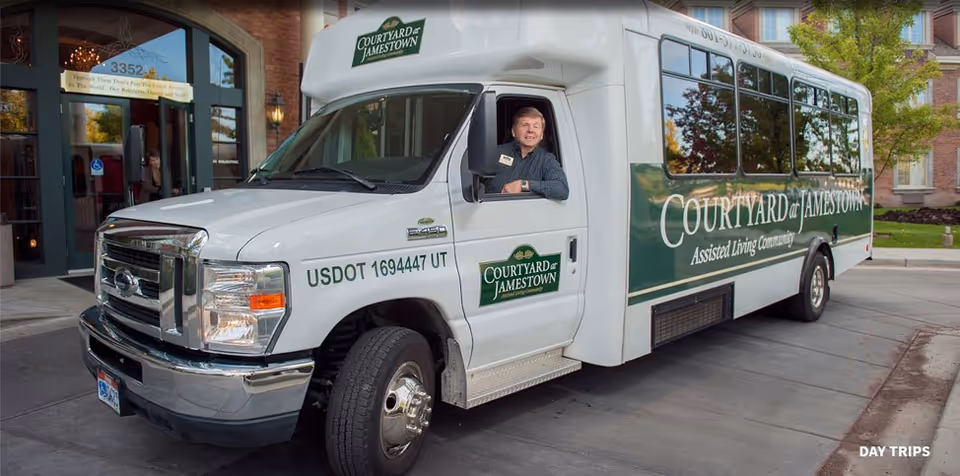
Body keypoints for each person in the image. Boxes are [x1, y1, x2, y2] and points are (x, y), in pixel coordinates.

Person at [482, 107, 569, 201]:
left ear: (541, 135)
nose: (531, 130)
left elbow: (562, 189)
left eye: (536, 126)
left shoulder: (546, 160)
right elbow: (475, 184)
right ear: (513, 132)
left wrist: (523, 185)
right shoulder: (494, 153)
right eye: (525, 125)